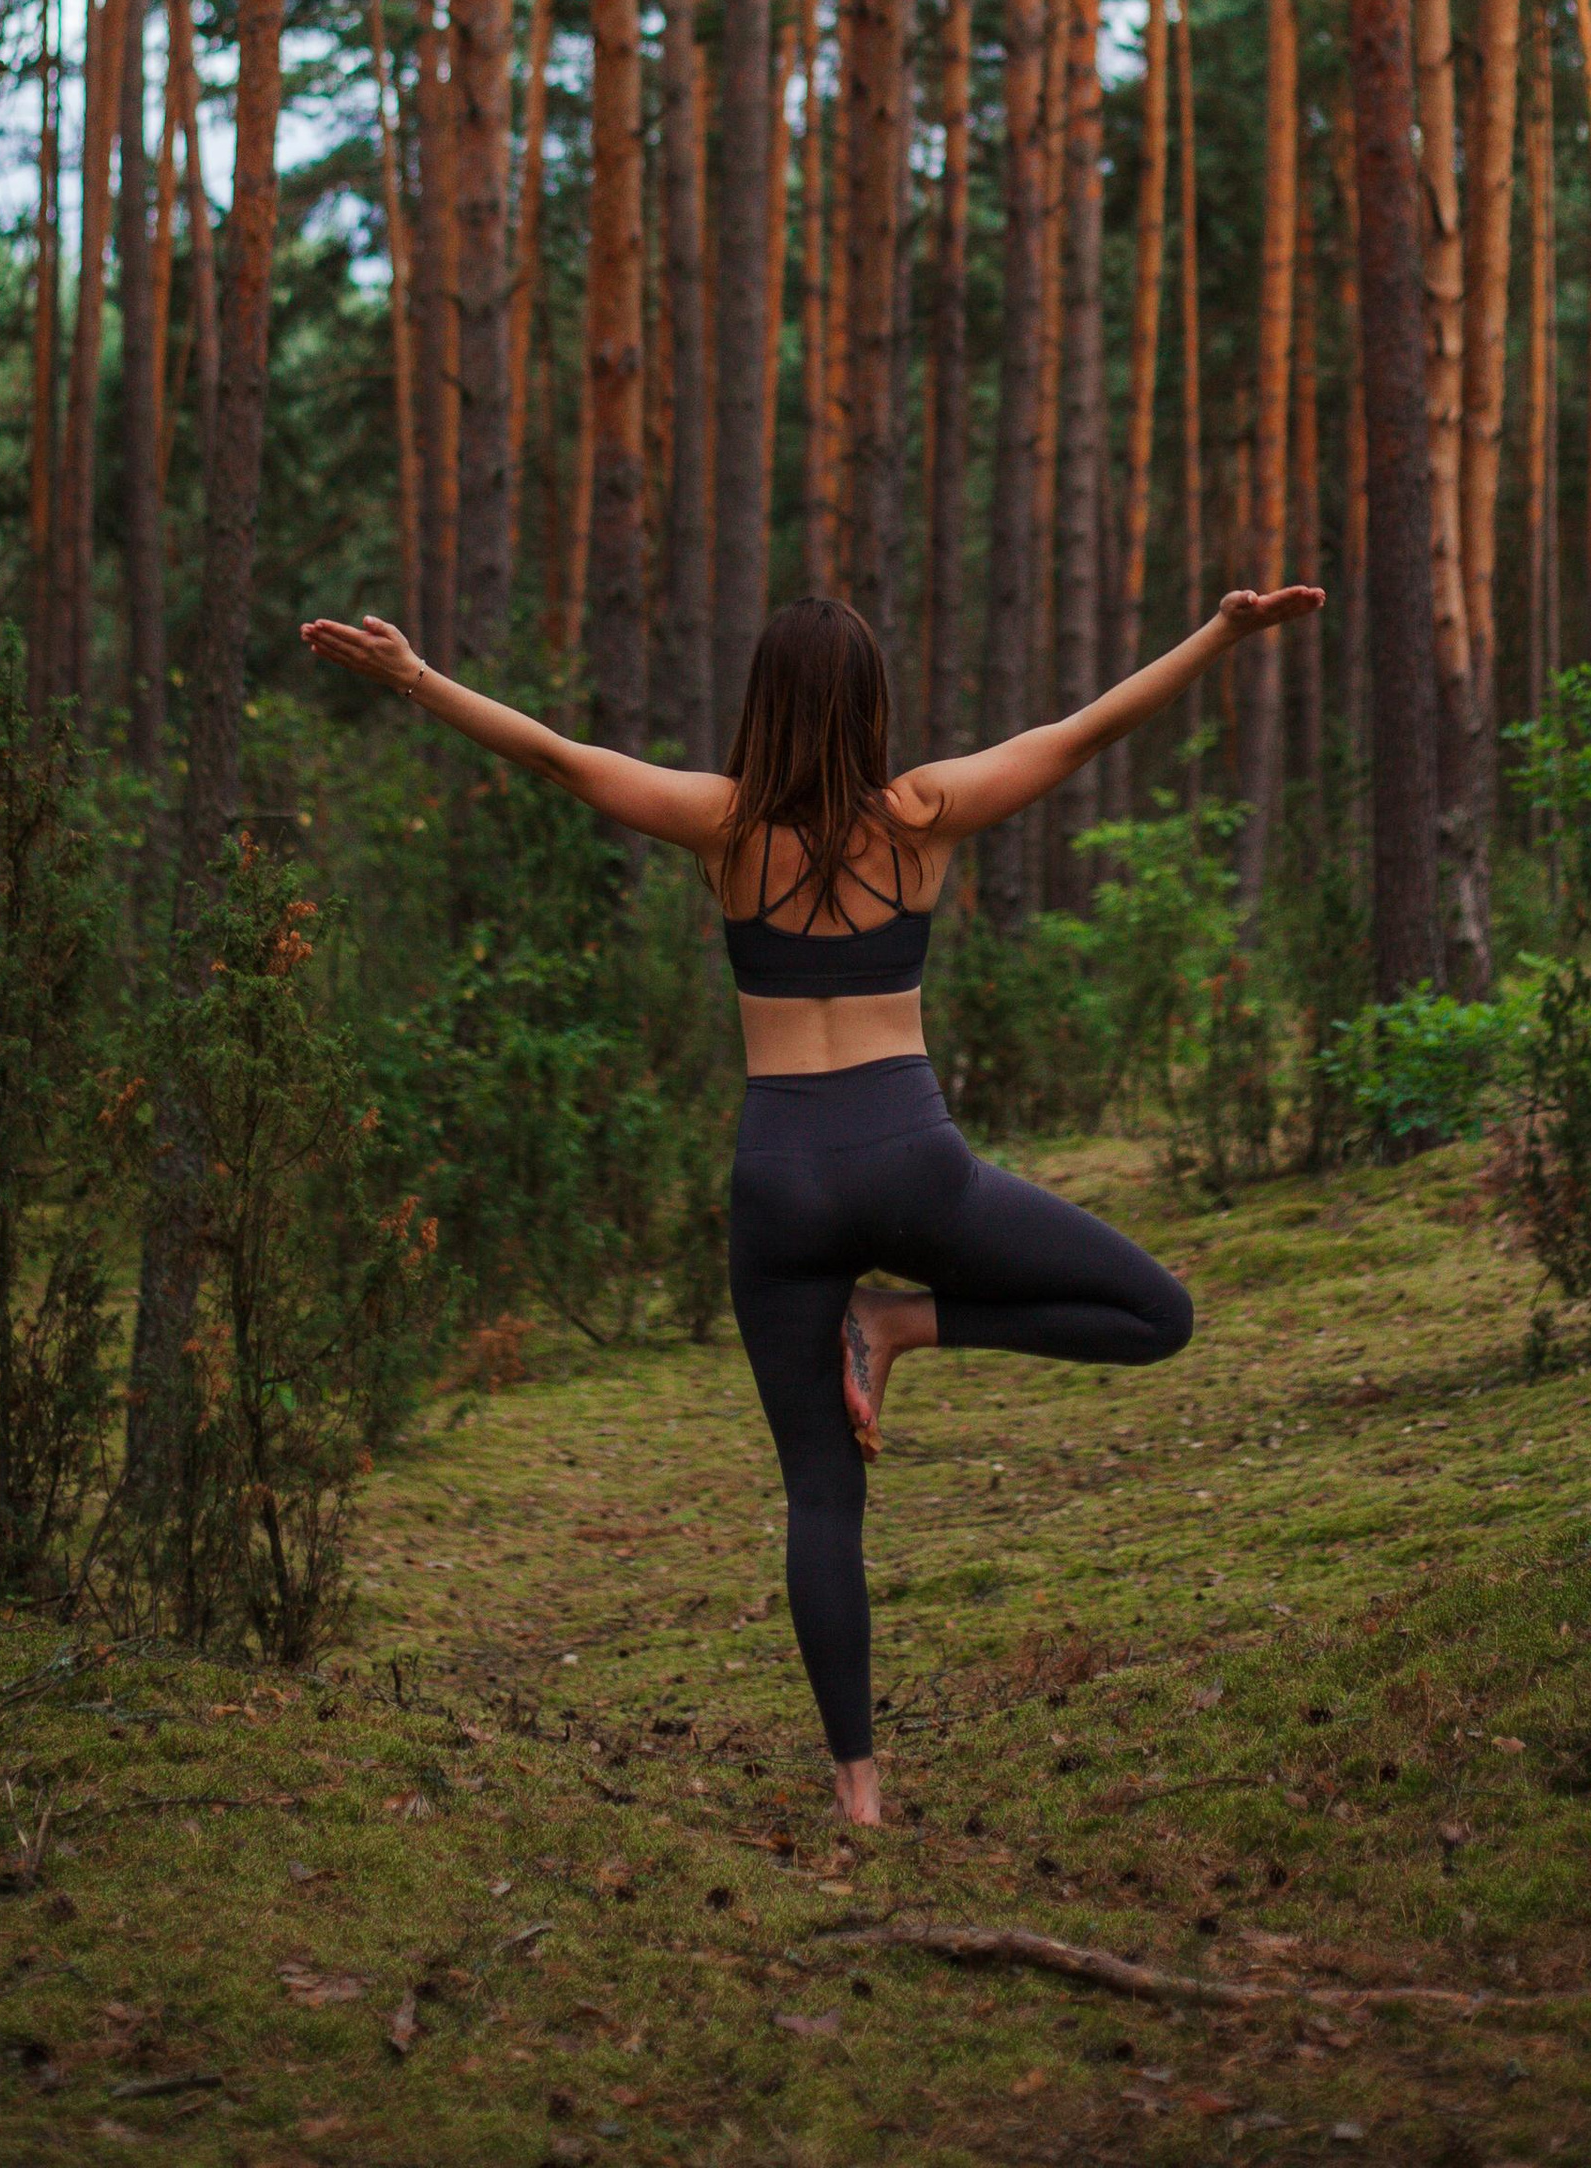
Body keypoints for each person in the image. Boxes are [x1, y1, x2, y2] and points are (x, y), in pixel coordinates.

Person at [298, 583, 1323, 1827]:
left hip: (779, 1179)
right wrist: (1221, 634)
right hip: (910, 1159)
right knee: (1157, 1314)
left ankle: (859, 1796)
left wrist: (415, 679)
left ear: (763, 706)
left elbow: (558, 758)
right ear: (871, 704)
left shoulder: (723, 828)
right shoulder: (924, 815)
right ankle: (902, 1325)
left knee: (821, 1498)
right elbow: (1087, 731)